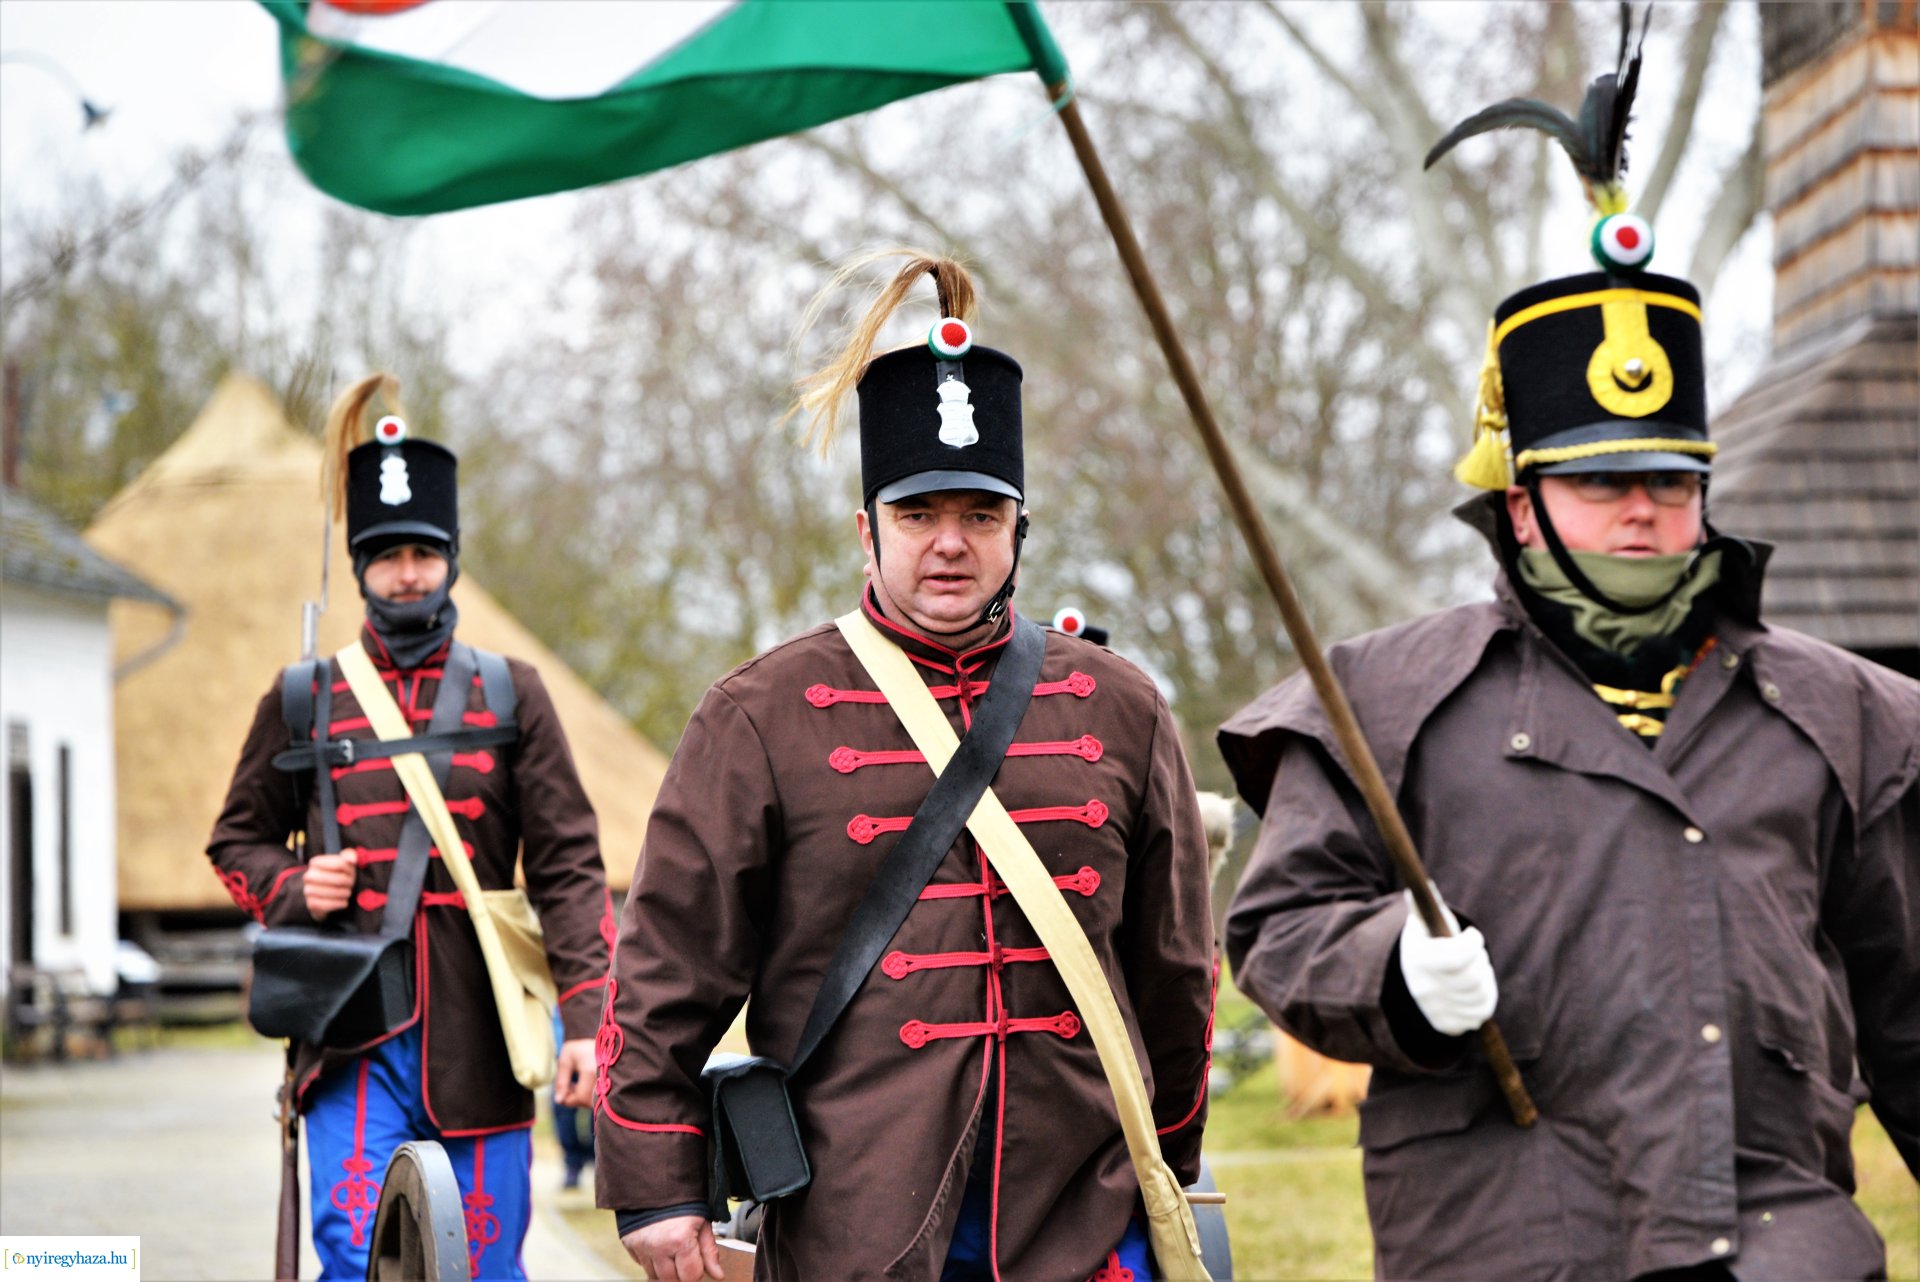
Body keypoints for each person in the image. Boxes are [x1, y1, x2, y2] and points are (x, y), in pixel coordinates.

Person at [1218, 52, 1920, 1282]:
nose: (1643, 511)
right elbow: (1277, 929)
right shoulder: (1384, 700)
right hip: (1511, 1247)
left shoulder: (1845, 713)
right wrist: (1385, 963)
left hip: (1782, 1247)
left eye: (1671, 482)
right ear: (1524, 504)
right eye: (1602, 484)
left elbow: (1909, 1003)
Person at [593, 252, 1216, 1282]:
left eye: (980, 515)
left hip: (1083, 1201)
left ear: (1021, 528)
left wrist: (1171, 1158)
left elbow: (1175, 967)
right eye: (917, 515)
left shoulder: (1123, 704)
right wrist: (659, 1182)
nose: (949, 545)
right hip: (860, 1207)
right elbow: (668, 965)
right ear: (865, 528)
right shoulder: (759, 713)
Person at [208, 374, 613, 1280]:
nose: (406, 573)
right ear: (361, 564)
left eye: (423, 552)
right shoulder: (303, 696)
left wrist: (586, 1016)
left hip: (484, 1030)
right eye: (387, 554)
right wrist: (289, 886)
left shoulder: (513, 691)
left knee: (484, 1261)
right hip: (351, 1026)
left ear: (451, 557)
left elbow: (569, 870)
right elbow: (235, 842)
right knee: (357, 1256)